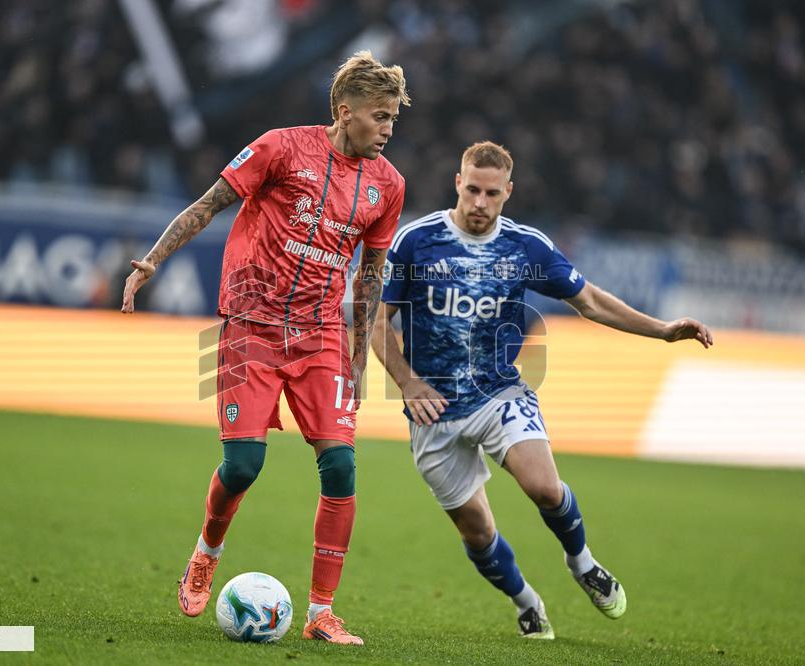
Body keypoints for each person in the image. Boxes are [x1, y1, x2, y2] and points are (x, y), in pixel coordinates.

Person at [121, 51, 409, 646]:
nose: (387, 130)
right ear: (344, 110)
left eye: (392, 120)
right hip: (250, 326)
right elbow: (207, 205)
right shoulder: (281, 148)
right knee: (244, 465)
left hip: (322, 335)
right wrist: (153, 260)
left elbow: (372, 274)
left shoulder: (389, 186)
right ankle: (207, 551)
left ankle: (322, 612)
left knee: (341, 464)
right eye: (379, 117)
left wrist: (356, 358)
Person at [372, 141, 712, 639]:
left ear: (508, 192)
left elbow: (590, 301)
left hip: (499, 394)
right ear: (457, 183)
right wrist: (407, 381)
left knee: (545, 488)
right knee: (478, 531)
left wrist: (661, 330)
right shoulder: (416, 241)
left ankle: (583, 564)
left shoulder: (526, 247)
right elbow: (377, 321)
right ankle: (526, 601)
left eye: (491, 193)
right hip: (435, 411)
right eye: (472, 190)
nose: (480, 203)